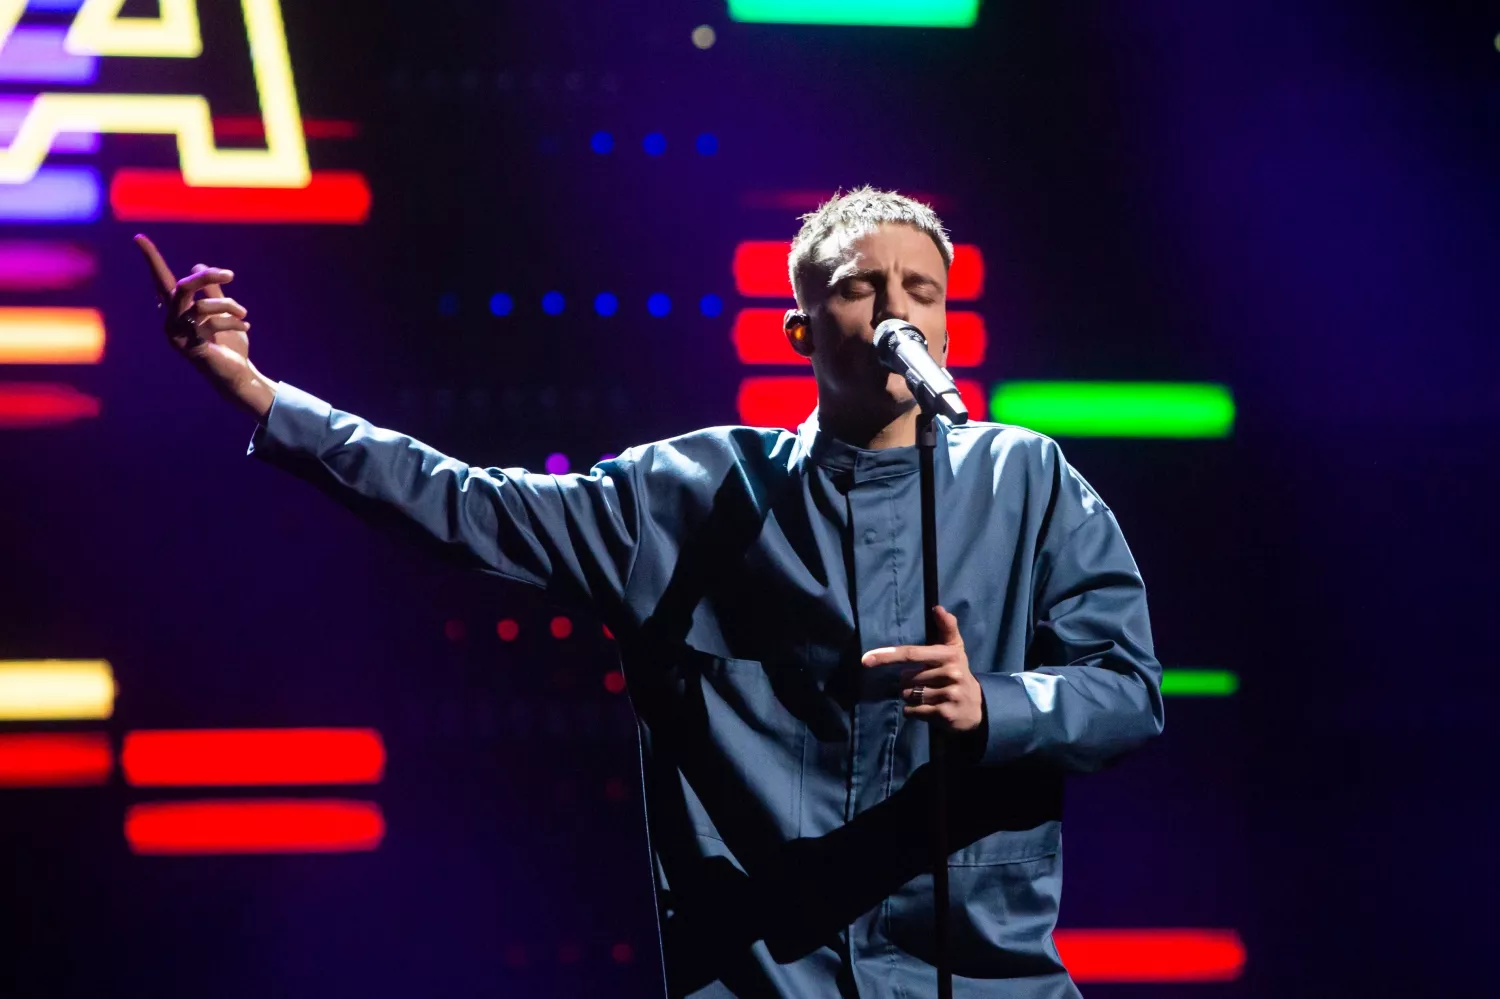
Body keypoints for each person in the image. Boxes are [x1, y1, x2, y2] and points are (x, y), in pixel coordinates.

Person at [136, 187, 1164, 999]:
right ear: (801, 329)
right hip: (770, 976)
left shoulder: (1027, 479)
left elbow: (1127, 689)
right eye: (862, 287)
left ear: (947, 322)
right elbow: (466, 505)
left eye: (922, 290)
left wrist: (997, 705)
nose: (897, 310)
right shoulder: (689, 492)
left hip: (985, 976)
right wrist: (263, 396)